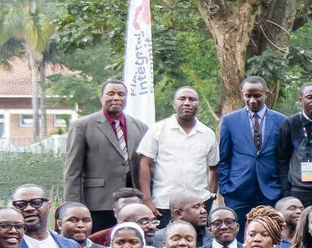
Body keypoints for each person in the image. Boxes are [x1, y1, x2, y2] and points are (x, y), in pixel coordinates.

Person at [64, 81, 146, 230]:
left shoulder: (140, 127)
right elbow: (72, 170)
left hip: (132, 204)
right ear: (101, 97)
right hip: (98, 203)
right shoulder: (82, 126)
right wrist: (72, 206)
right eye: (111, 94)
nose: (116, 98)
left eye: (121, 94)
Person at [136, 85, 220, 218]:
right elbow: (145, 164)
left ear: (198, 104)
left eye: (192, 99)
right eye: (182, 99)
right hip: (164, 204)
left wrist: (211, 196)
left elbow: (213, 168)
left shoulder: (207, 134)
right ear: (174, 104)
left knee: (197, 239)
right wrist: (146, 199)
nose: (187, 103)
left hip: (198, 204)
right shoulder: (158, 129)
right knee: (164, 238)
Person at [218, 74, 288, 218]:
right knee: (239, 236)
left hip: (271, 190)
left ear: (266, 94)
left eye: (257, 96)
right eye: (248, 96)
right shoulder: (229, 121)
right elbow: (224, 158)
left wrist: (283, 187)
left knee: (270, 234)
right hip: (238, 191)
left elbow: (284, 158)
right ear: (242, 94)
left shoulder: (282, 120)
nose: (252, 100)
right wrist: (225, 188)